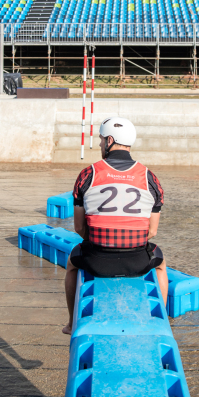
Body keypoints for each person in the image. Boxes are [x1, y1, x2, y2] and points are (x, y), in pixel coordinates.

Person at [62, 117, 166, 335]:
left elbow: (79, 228)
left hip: (96, 261)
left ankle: (72, 323)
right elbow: (152, 231)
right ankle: (161, 321)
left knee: (72, 263)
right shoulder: (150, 177)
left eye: (101, 140)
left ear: (110, 140)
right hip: (137, 261)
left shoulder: (87, 174)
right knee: (161, 263)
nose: (100, 145)